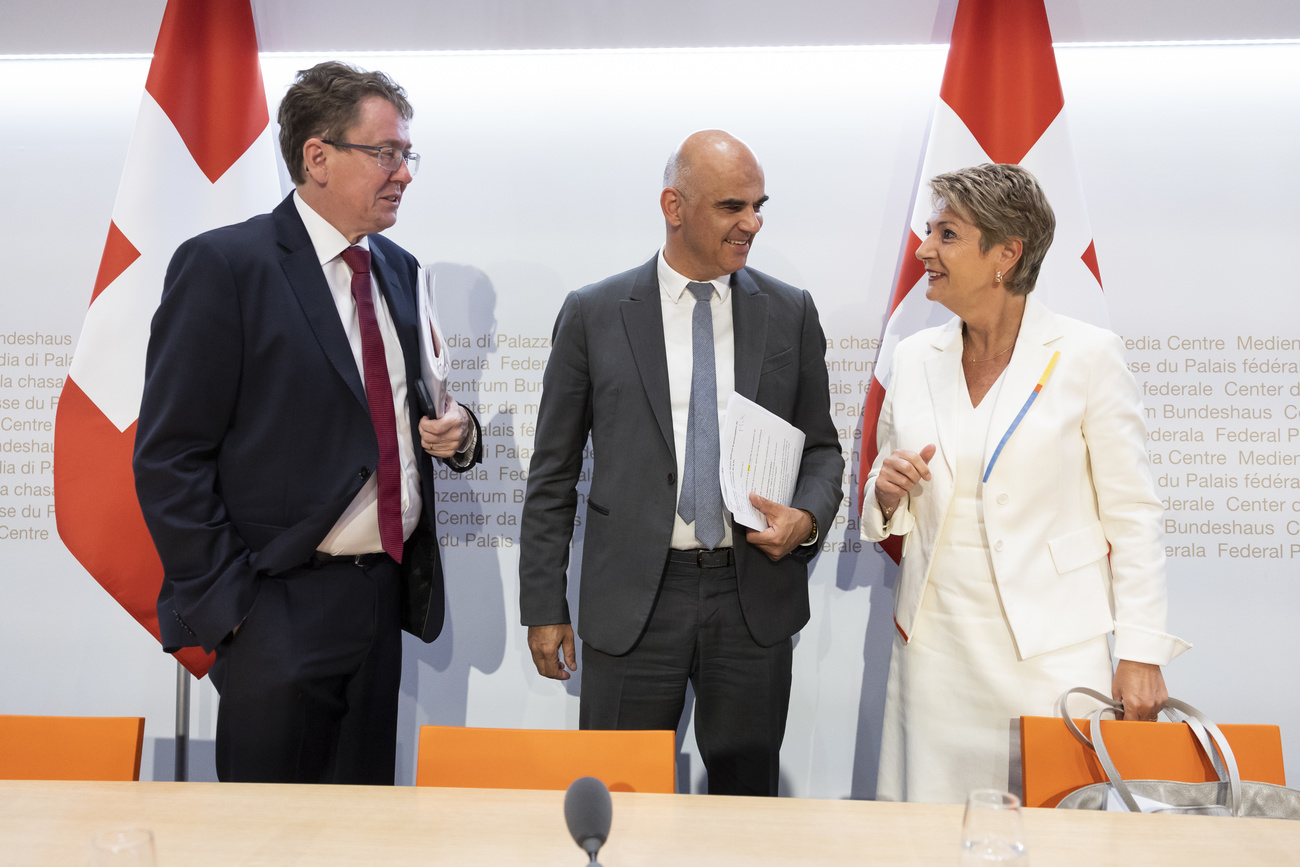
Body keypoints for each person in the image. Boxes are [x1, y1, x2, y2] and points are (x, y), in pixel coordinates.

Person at [133, 61, 482, 785]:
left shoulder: (399, 267)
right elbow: (169, 456)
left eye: (406, 155)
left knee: (361, 835)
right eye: (385, 153)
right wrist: (235, 612)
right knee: (269, 843)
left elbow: (406, 408)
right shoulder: (226, 266)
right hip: (276, 607)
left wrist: (461, 433)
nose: (403, 174)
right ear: (317, 157)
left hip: (379, 600)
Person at [519, 130, 844, 797]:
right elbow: (552, 473)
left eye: (759, 205)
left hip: (750, 592)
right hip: (635, 596)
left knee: (745, 806)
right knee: (619, 798)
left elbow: (822, 449)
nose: (751, 222)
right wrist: (543, 605)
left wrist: (806, 518)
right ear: (674, 205)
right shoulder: (593, 312)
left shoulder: (789, 312)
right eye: (732, 206)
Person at [862, 163, 1190, 803]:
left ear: (1005, 254)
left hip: (1052, 657)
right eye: (929, 230)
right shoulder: (911, 358)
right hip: (934, 652)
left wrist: (1143, 650)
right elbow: (887, 490)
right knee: (930, 831)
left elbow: (1133, 512)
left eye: (947, 234)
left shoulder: (1088, 354)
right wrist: (885, 491)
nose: (924, 249)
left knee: (1054, 828)